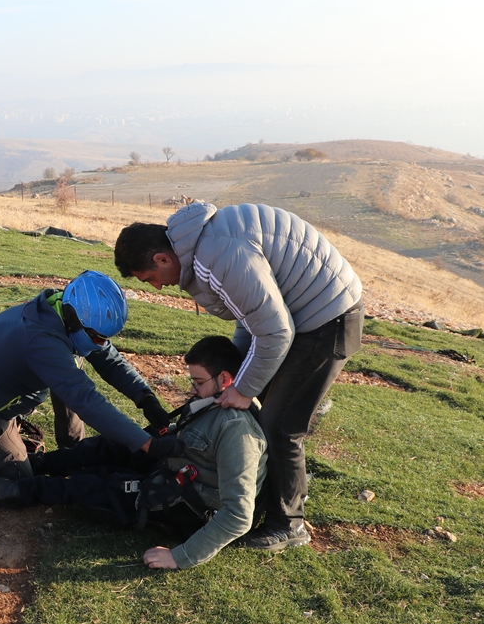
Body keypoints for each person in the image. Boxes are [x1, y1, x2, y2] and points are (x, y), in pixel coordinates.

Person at [114, 202, 364, 553]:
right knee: (267, 405)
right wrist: (233, 372)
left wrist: (243, 389)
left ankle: (288, 524)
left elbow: (275, 330)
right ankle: (265, 494)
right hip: (305, 317)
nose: (156, 287)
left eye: (149, 279)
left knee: (280, 422)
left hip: (327, 319)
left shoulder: (215, 256)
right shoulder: (203, 247)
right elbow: (251, 317)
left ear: (162, 258)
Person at [0, 270, 171, 503]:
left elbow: (109, 360)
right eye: (97, 337)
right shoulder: (42, 341)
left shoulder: (61, 311)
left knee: (73, 366)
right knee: (17, 484)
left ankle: (73, 451)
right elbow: (87, 401)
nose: (101, 344)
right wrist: (145, 443)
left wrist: (145, 397)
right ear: (75, 319)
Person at [5, 335, 267, 569]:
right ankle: (33, 465)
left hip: (186, 501)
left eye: (197, 382)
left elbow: (238, 514)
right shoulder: (213, 401)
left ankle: (17, 491)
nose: (192, 390)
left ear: (225, 379)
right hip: (174, 466)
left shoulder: (237, 431)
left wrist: (180, 556)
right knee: (111, 445)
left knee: (101, 485)